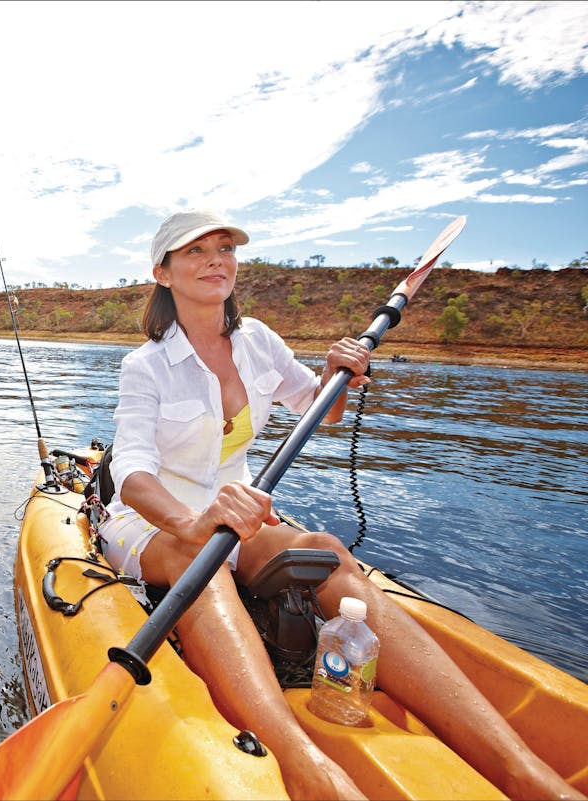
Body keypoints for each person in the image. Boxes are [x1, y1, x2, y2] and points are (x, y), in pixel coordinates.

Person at [97, 209, 582, 801]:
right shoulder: (144, 366)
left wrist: (335, 376)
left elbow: (318, 408)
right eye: (195, 251)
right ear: (162, 272)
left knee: (324, 550)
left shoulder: (258, 342)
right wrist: (192, 521)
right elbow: (131, 474)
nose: (215, 259)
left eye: (224, 247)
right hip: (156, 521)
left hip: (240, 513)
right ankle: (302, 763)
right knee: (195, 563)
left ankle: (519, 768)